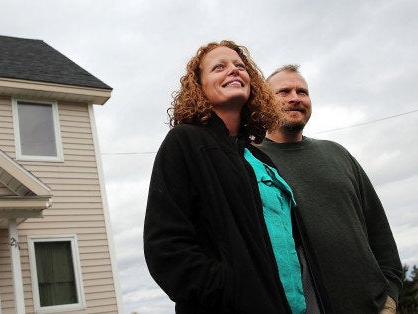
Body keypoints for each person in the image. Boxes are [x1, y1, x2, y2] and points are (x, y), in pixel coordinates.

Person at [144, 40, 308, 313]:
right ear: (199, 87)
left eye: (240, 66)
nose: (233, 71)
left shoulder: (261, 159)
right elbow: (166, 249)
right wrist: (232, 291)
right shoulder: (185, 142)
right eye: (219, 67)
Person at [260, 64, 403, 314]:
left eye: (302, 92)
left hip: (374, 307)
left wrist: (389, 298)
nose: (295, 98)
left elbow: (379, 230)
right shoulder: (250, 162)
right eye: (283, 92)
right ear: (263, 101)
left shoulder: (337, 154)